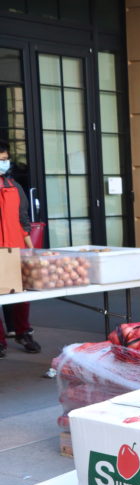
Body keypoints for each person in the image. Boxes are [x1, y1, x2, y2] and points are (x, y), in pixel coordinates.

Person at [0, 141, 39, 358]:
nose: (4, 163)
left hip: (16, 247)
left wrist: (31, 249)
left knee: (21, 294)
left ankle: (24, 332)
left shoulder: (15, 186)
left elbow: (23, 220)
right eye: (1, 159)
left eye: (5, 159)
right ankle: (0, 341)